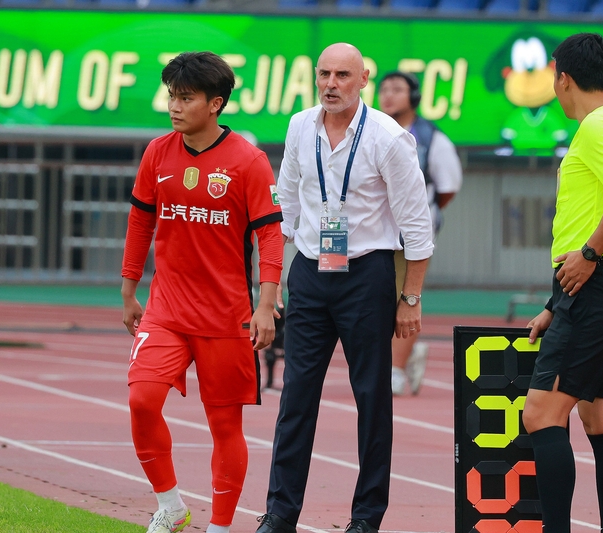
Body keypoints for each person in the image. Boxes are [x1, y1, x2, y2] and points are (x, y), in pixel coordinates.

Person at [255, 43, 434, 533]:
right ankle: (280, 513)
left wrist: (410, 297)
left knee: (372, 397)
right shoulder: (299, 126)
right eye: (324, 74)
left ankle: (366, 519)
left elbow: (417, 227)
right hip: (309, 273)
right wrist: (273, 284)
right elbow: (287, 206)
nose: (331, 84)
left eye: (342, 75)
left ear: (363, 79)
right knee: (295, 396)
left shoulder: (388, 138)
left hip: (366, 276)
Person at [120, 51, 283, 533]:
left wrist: (266, 305)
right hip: (165, 309)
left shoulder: (248, 161)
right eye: (172, 96)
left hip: (225, 317)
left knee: (225, 426)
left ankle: (221, 526)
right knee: (142, 400)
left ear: (215, 104)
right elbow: (141, 222)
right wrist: (129, 290)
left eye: (186, 98)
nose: (174, 106)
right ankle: (170, 505)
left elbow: (270, 236)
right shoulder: (157, 153)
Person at [523, 33, 603, 533]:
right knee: (602, 421)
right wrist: (556, 302)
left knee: (541, 415)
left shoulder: (597, 125)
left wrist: (591, 254)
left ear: (563, 79)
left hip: (598, 289)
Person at [377, 71, 463, 396]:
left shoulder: (431, 138)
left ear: (413, 97)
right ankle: (399, 357)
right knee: (374, 300)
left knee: (406, 297)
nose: (388, 95)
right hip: (372, 231)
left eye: (397, 89)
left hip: (408, 234)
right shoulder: (371, 129)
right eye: (384, 89)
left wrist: (421, 214)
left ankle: (396, 368)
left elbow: (448, 186)